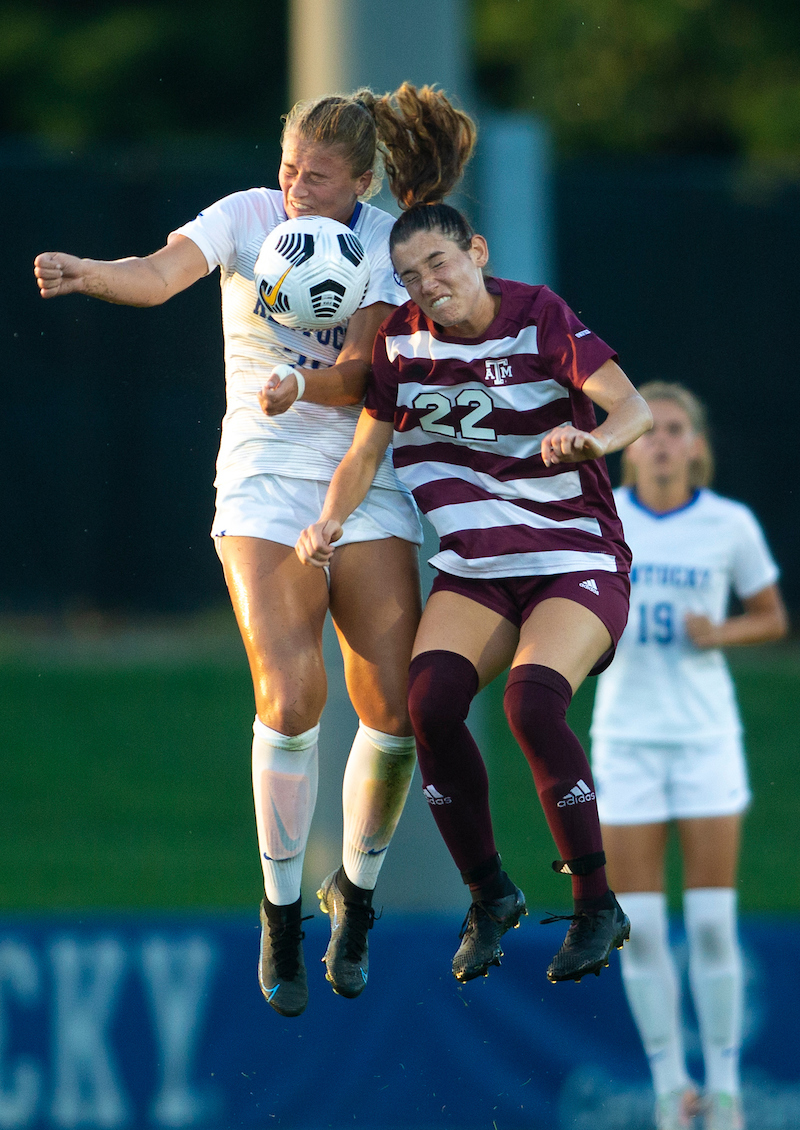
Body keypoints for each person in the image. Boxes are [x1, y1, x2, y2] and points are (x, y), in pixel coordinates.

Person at [33, 84, 477, 1018]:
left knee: (394, 707)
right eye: (288, 169)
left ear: (361, 180)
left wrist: (300, 382)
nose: (295, 188)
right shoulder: (246, 217)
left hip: (362, 472)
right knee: (292, 693)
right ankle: (281, 915)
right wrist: (88, 271)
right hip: (264, 477)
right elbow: (158, 272)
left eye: (316, 178)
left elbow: (363, 375)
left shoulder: (387, 247)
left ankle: (354, 894)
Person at [296, 190, 653, 984]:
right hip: (475, 568)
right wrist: (329, 521)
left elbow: (635, 410)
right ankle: (489, 894)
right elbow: (364, 453)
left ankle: (597, 904)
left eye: (441, 264)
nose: (428, 285)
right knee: (426, 706)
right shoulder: (399, 343)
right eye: (411, 275)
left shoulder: (537, 316)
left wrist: (590, 438)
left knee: (531, 703)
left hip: (573, 556)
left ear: (478, 253)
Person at [589, 381, 788, 1130]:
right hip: (628, 740)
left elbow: (771, 616)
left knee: (710, 923)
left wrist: (723, 634)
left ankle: (728, 1093)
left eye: (675, 430)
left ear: (696, 445)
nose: (662, 441)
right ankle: (674, 1094)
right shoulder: (602, 520)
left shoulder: (728, 524)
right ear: (628, 442)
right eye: (650, 429)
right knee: (637, 925)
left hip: (705, 739)